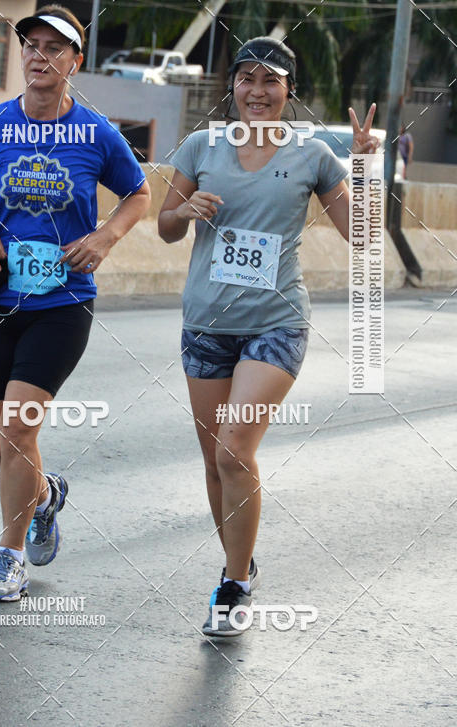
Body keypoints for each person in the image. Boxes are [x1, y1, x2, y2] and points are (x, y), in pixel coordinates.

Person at [158, 37, 379, 637]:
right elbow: (165, 228)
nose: (258, 92)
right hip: (206, 322)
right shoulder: (201, 145)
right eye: (247, 80)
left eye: (271, 82)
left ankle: (234, 585)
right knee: (213, 462)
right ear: (232, 87)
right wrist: (186, 211)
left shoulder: (313, 155)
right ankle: (241, 555)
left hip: (275, 324)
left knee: (234, 450)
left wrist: (362, 166)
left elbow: (361, 235)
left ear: (288, 92)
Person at [0, 5, 150, 601]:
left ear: (74, 62)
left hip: (62, 303)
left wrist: (105, 237)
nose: (40, 55)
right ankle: (46, 495)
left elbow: (137, 193)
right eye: (31, 45)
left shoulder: (95, 132)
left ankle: (8, 559)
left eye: (54, 48)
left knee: (16, 428)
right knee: (0, 438)